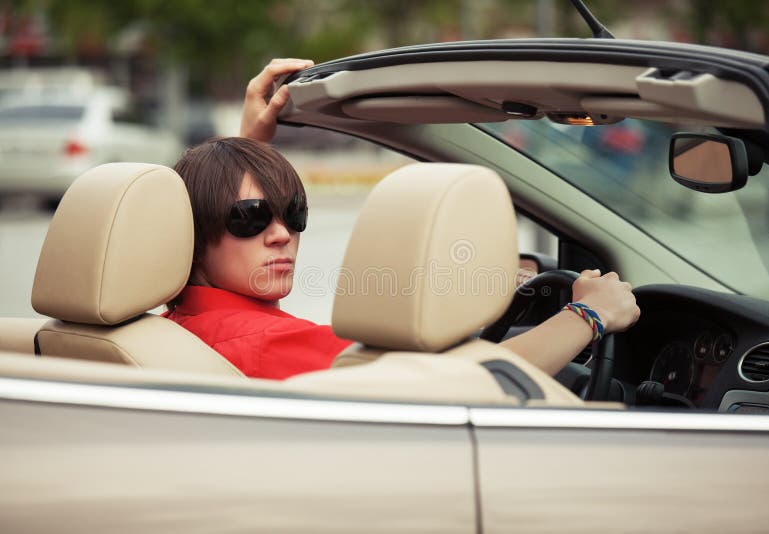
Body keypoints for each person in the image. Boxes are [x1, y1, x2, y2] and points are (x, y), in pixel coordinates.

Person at [165, 58, 640, 380]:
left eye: (294, 213)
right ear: (196, 231)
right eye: (250, 218)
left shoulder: (172, 324)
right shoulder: (265, 342)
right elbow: (462, 385)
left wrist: (246, 150)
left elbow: (215, 207)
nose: (281, 234)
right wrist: (589, 314)